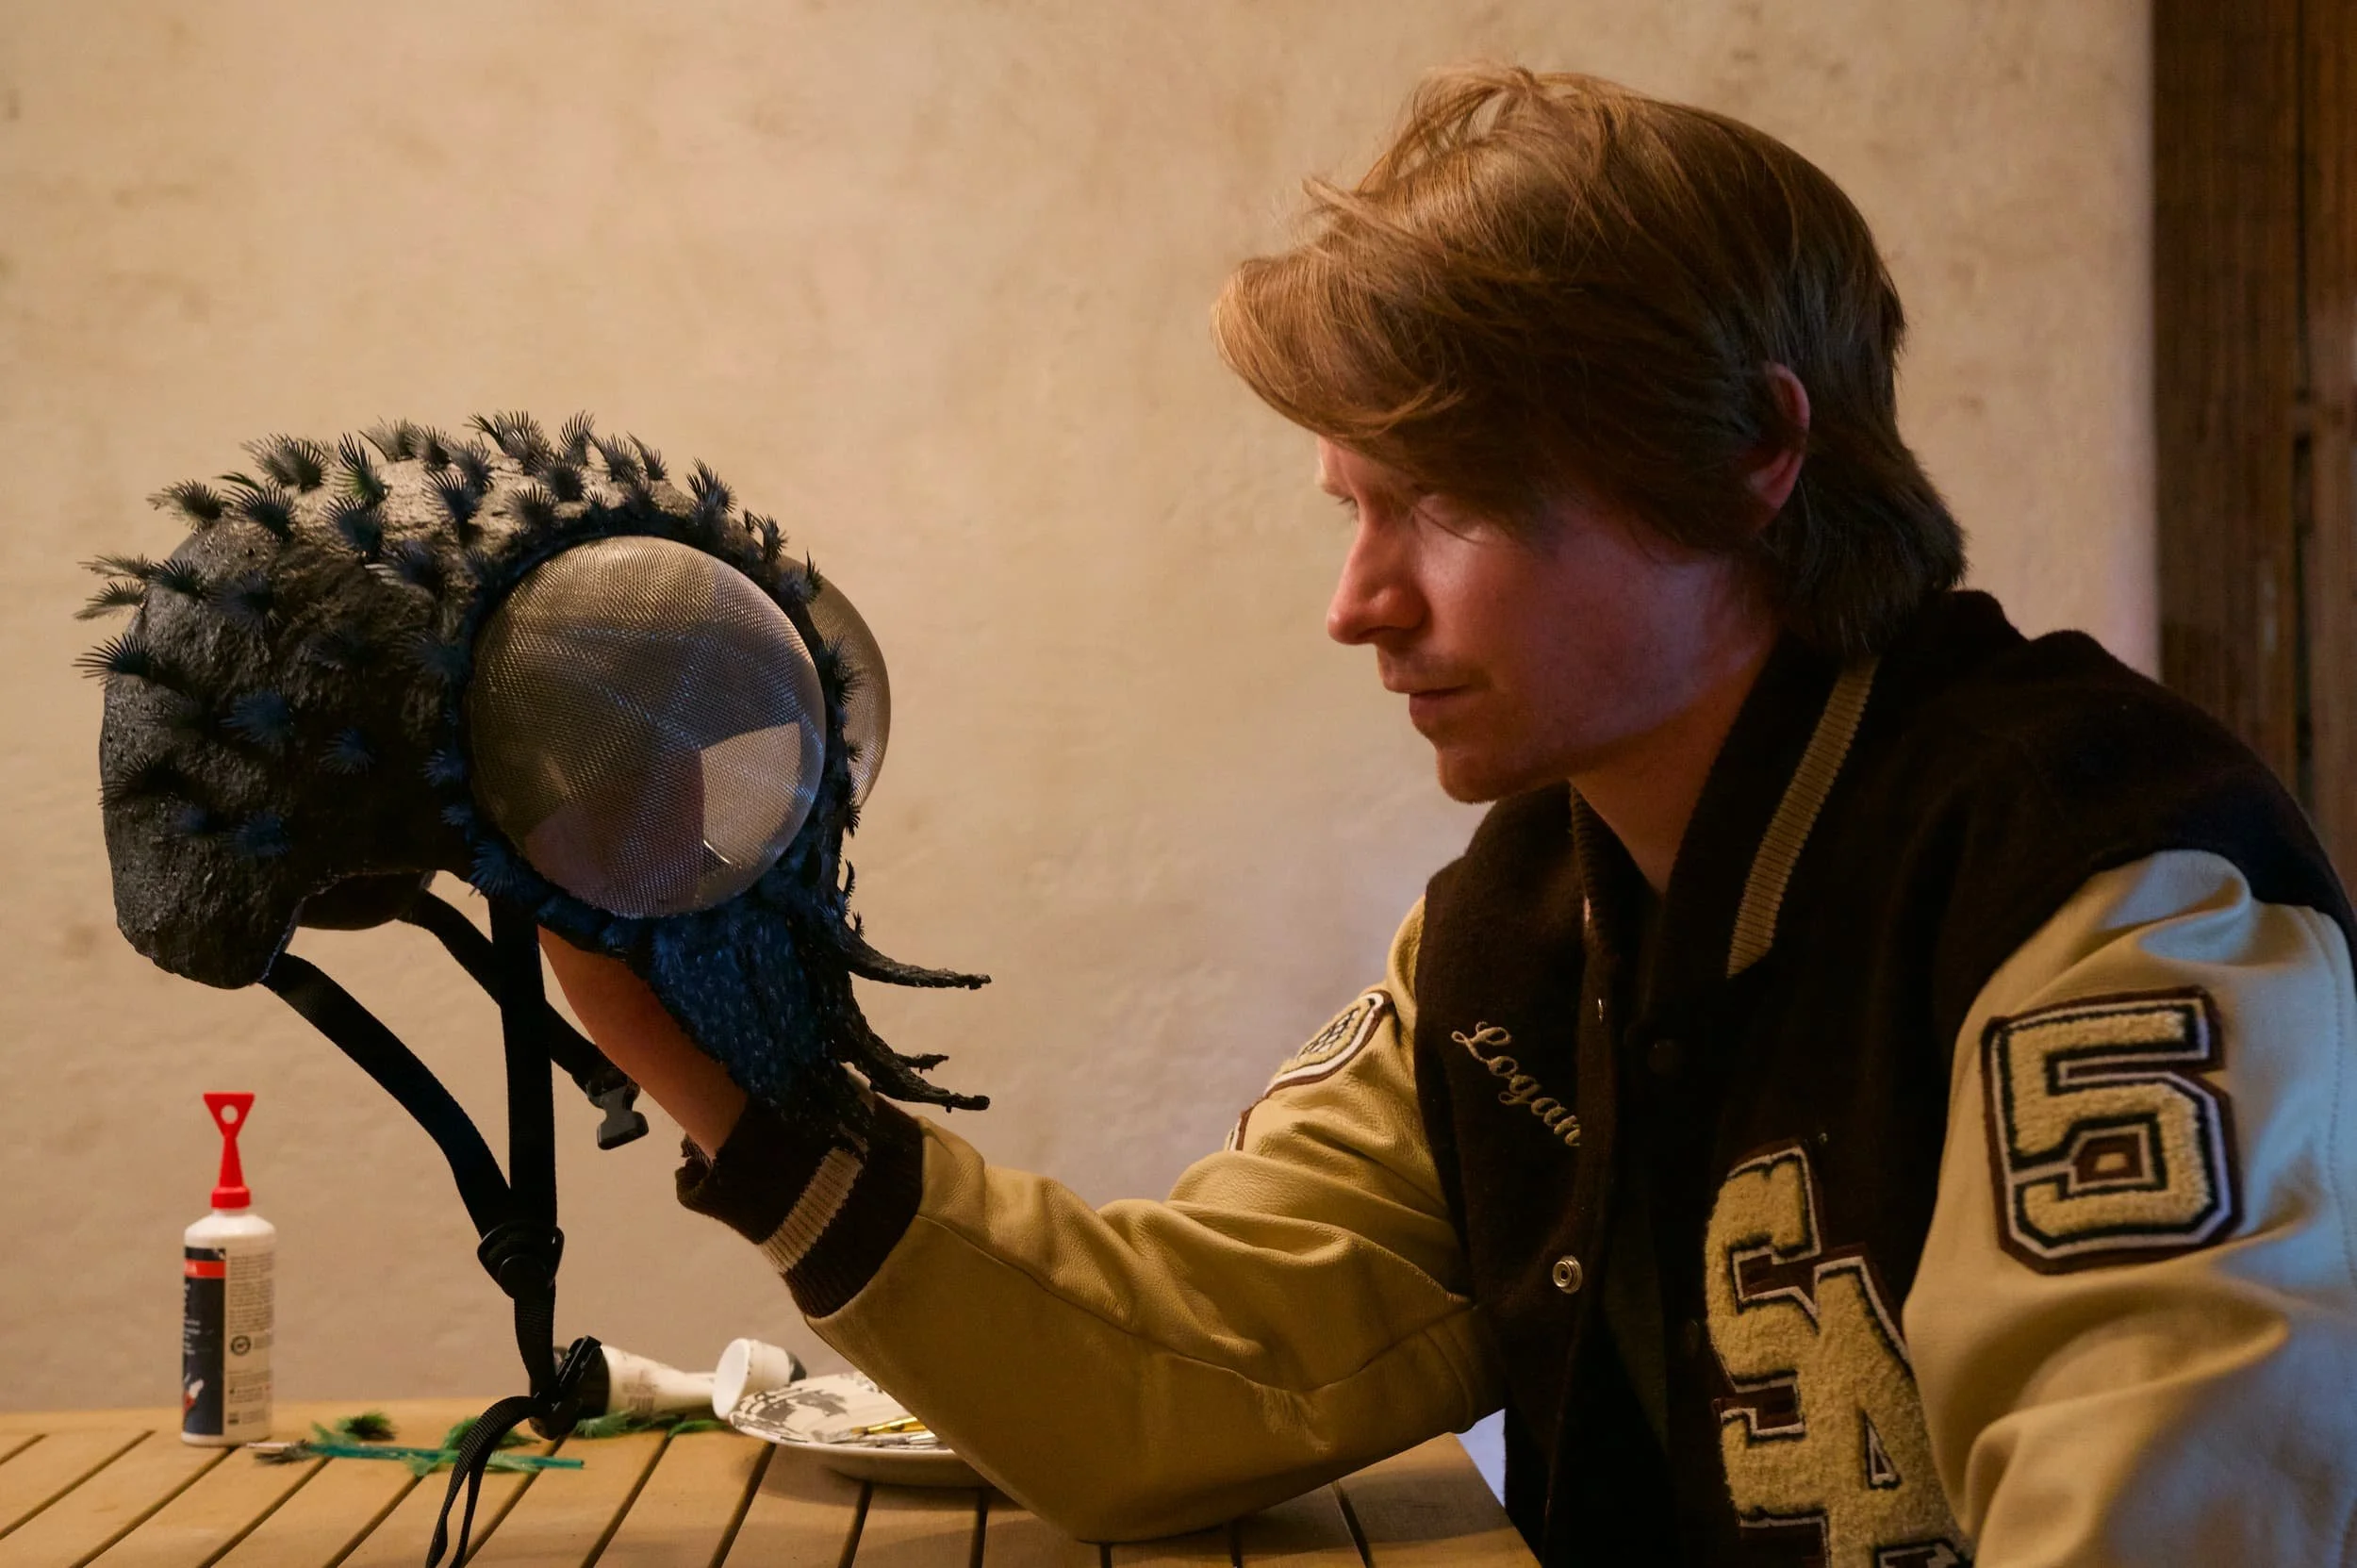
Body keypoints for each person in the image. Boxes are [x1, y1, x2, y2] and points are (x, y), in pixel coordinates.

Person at [543, 66, 2357, 1566]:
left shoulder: (2105, 894)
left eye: (1448, 504)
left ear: (1751, 454)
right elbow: (1190, 1368)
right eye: (1354, 504)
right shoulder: (1516, 932)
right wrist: (719, 1075)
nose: (1360, 601)